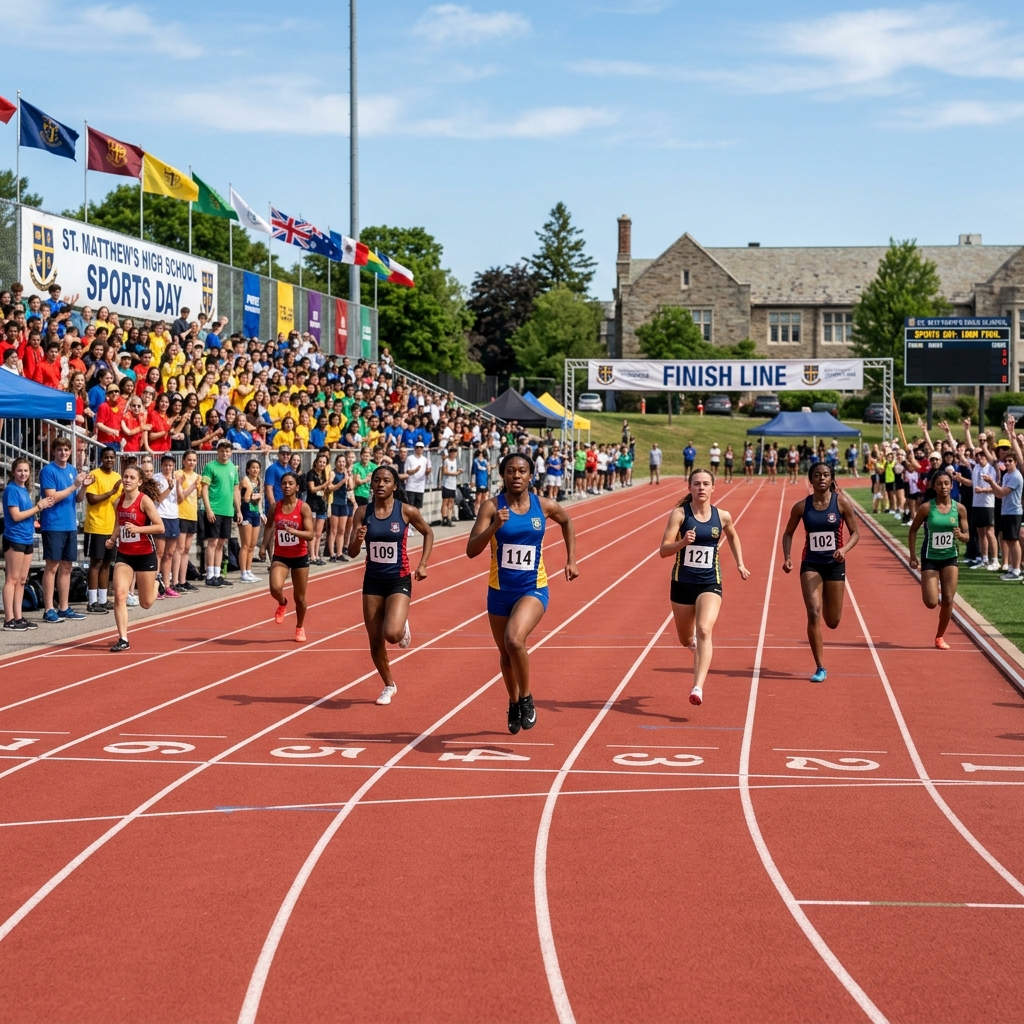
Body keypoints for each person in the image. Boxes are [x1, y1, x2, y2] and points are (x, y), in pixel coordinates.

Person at [467, 452, 579, 733]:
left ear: (531, 475)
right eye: (511, 471)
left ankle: (526, 698)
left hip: (533, 588)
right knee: (505, 654)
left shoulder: (544, 505)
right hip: (499, 591)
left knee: (514, 640)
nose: (516, 475)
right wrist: (494, 526)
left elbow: (567, 522)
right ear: (503, 475)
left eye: (522, 471)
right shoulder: (491, 507)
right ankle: (513, 701)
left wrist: (571, 559)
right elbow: (471, 550)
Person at [659, 468, 750, 707]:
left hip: (710, 581)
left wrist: (740, 563)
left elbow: (732, 536)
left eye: (705, 484)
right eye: (697, 483)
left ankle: (697, 687)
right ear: (689, 488)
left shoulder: (722, 516)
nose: (701, 488)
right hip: (682, 583)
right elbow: (663, 551)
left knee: (705, 629)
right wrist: (682, 542)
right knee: (685, 637)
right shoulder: (680, 514)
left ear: (713, 488)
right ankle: (692, 644)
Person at [349, 465, 434, 705]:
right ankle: (389, 685)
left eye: (386, 480)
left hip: (399, 578)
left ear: (395, 486)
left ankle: (402, 624)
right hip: (373, 580)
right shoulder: (362, 513)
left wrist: (424, 564)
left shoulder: (406, 511)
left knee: (392, 633)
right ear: (371, 484)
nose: (381, 484)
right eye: (377, 480)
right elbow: (352, 552)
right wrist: (357, 539)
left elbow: (428, 533)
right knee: (375, 639)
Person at [781, 462, 861, 682]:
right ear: (811, 479)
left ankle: (827, 597)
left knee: (832, 621)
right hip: (811, 563)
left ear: (831, 478)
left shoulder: (842, 503)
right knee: (814, 613)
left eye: (826, 475)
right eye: (817, 475)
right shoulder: (801, 507)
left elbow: (855, 533)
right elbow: (787, 533)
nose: (822, 478)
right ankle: (820, 667)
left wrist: (843, 550)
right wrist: (787, 557)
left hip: (835, 564)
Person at [907, 469, 969, 648]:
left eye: (947, 483)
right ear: (934, 486)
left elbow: (967, 536)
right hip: (930, 558)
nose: (943, 487)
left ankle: (940, 637)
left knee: (949, 599)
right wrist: (913, 556)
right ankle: (934, 590)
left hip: (950, 557)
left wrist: (961, 535)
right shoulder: (927, 507)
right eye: (940, 483)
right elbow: (913, 530)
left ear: (952, 485)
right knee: (931, 602)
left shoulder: (960, 509)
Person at [107, 465, 164, 652]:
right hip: (125, 554)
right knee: (120, 595)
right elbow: (119, 524)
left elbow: (160, 527)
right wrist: (113, 538)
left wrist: (138, 529)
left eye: (132, 477)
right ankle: (123, 638)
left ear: (139, 482)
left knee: (146, 603)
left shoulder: (144, 500)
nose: (127, 480)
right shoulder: (118, 501)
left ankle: (157, 584)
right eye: (125, 476)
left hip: (145, 553)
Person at [39, 437, 91, 622]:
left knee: (67, 567)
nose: (63, 453)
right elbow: (51, 497)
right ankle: (48, 609)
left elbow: (77, 499)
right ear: (54, 451)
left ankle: (64, 606)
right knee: (52, 567)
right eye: (60, 449)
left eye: (66, 450)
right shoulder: (48, 470)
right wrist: (75, 485)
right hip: (54, 524)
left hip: (69, 524)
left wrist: (83, 487)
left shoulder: (71, 470)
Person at [3, 459, 51, 630]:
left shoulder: (24, 490)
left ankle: (18, 616)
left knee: (22, 580)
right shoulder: (11, 490)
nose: (23, 474)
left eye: (26, 471)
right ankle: (9, 618)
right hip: (14, 537)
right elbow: (15, 515)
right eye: (19, 471)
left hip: (26, 537)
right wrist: (38, 507)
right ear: (13, 472)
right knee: (12, 579)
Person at [269, 472, 315, 642]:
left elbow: (310, 534)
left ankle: (299, 626)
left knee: (300, 597)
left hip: (300, 556)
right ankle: (282, 602)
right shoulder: (275, 507)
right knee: (275, 588)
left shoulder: (303, 507)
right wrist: (263, 547)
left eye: (290, 483)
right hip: (280, 555)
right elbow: (268, 527)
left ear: (297, 487)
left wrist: (294, 532)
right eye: (284, 483)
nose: (287, 486)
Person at [83, 446, 121, 613]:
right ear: (101, 458)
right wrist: (111, 491)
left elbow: (118, 501)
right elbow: (91, 499)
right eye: (106, 457)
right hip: (96, 525)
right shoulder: (94, 475)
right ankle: (92, 602)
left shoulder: (118, 477)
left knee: (107, 563)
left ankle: (103, 599)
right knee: (95, 563)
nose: (110, 460)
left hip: (111, 526)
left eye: (112, 457)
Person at [201, 440, 242, 587]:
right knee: (212, 542)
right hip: (215, 510)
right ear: (218, 452)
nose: (225, 453)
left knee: (221, 543)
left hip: (227, 511)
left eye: (227, 451)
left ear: (231, 453)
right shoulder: (210, 467)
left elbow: (236, 490)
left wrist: (238, 510)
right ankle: (210, 574)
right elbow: (204, 489)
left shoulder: (232, 468)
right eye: (222, 451)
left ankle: (218, 574)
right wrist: (208, 509)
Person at [258, 446, 292, 562]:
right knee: (271, 531)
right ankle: (273, 559)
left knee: (283, 532)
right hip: (275, 504)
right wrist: (273, 505)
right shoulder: (272, 469)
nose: (286, 456)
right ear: (278, 455)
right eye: (283, 454)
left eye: (288, 454)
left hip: (287, 505)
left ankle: (282, 557)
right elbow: (268, 488)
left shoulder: (290, 470)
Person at [174, 451, 200, 591]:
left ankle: (183, 581)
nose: (191, 463)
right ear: (183, 461)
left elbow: (199, 495)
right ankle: (175, 581)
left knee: (186, 550)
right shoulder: (178, 474)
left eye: (194, 460)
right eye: (189, 460)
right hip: (181, 514)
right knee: (179, 549)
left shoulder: (197, 477)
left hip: (192, 515)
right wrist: (193, 486)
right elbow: (181, 497)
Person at [238, 459, 265, 583]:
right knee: (245, 544)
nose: (255, 470)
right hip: (246, 512)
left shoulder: (259, 481)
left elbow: (260, 498)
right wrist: (250, 490)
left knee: (252, 545)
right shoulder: (245, 480)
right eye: (253, 467)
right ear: (248, 469)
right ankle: (243, 572)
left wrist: (261, 513)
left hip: (255, 513)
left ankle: (249, 571)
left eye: (257, 468)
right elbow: (247, 499)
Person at [305, 451, 330, 563]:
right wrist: (324, 485)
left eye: (324, 462)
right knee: (312, 531)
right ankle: (312, 556)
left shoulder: (324, 475)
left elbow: (326, 490)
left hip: (322, 505)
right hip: (312, 505)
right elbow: (312, 489)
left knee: (319, 533)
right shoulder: (311, 473)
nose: (322, 464)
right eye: (320, 462)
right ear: (316, 462)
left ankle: (317, 555)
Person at [327, 454, 352, 562]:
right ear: (336, 463)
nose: (341, 464)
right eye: (339, 461)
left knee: (342, 530)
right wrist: (342, 481)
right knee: (333, 530)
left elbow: (350, 487)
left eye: (343, 462)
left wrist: (348, 477)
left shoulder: (346, 473)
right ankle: (332, 554)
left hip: (344, 504)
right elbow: (330, 487)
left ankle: (339, 553)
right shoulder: (333, 473)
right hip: (335, 503)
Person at [403, 440, 430, 509]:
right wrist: (415, 470)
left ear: (423, 449)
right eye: (417, 447)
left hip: (420, 487)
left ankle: (416, 520)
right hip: (411, 486)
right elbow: (407, 471)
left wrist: (428, 471)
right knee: (410, 506)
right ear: (415, 448)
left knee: (418, 507)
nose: (419, 449)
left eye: (421, 447)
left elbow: (428, 471)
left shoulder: (425, 460)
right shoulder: (410, 458)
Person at [440, 445, 460, 526]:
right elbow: (445, 471)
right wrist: (454, 473)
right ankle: (444, 517)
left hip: (453, 484)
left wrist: (458, 472)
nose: (453, 453)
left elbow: (460, 469)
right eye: (452, 452)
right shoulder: (446, 461)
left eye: (455, 452)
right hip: (446, 484)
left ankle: (449, 518)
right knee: (445, 501)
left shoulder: (456, 461)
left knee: (451, 502)